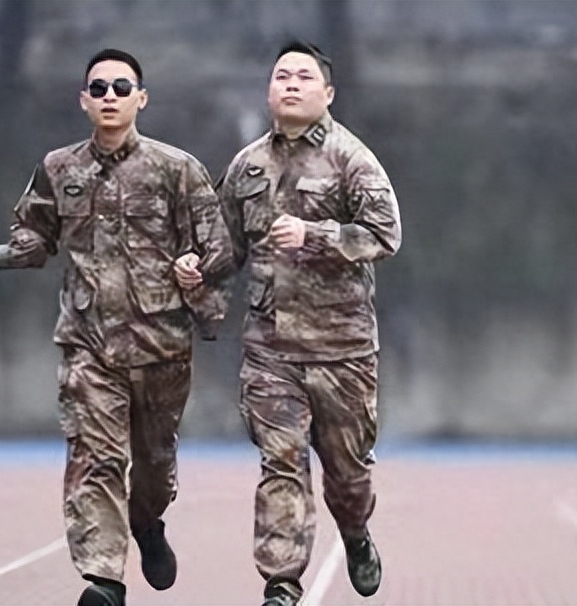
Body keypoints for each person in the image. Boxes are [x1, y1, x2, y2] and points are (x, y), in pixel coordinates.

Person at [0, 48, 231, 606]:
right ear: (83, 100)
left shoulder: (178, 170)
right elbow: (34, 228)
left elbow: (217, 247)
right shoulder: (59, 168)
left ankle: (147, 522)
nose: (109, 97)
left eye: (121, 88)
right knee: (94, 458)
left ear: (141, 99)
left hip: (161, 347)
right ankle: (104, 580)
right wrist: (11, 251)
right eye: (98, 88)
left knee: (153, 467)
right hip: (89, 344)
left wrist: (196, 274)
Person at [217, 40, 402, 606]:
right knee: (281, 462)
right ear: (269, 90)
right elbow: (225, 247)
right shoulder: (247, 166)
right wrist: (195, 270)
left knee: (348, 476)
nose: (291, 84)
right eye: (282, 76)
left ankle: (356, 533)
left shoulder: (352, 159)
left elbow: (385, 235)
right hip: (270, 350)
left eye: (304, 76)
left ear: (328, 92)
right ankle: (282, 582)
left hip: (342, 349)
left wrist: (315, 234)